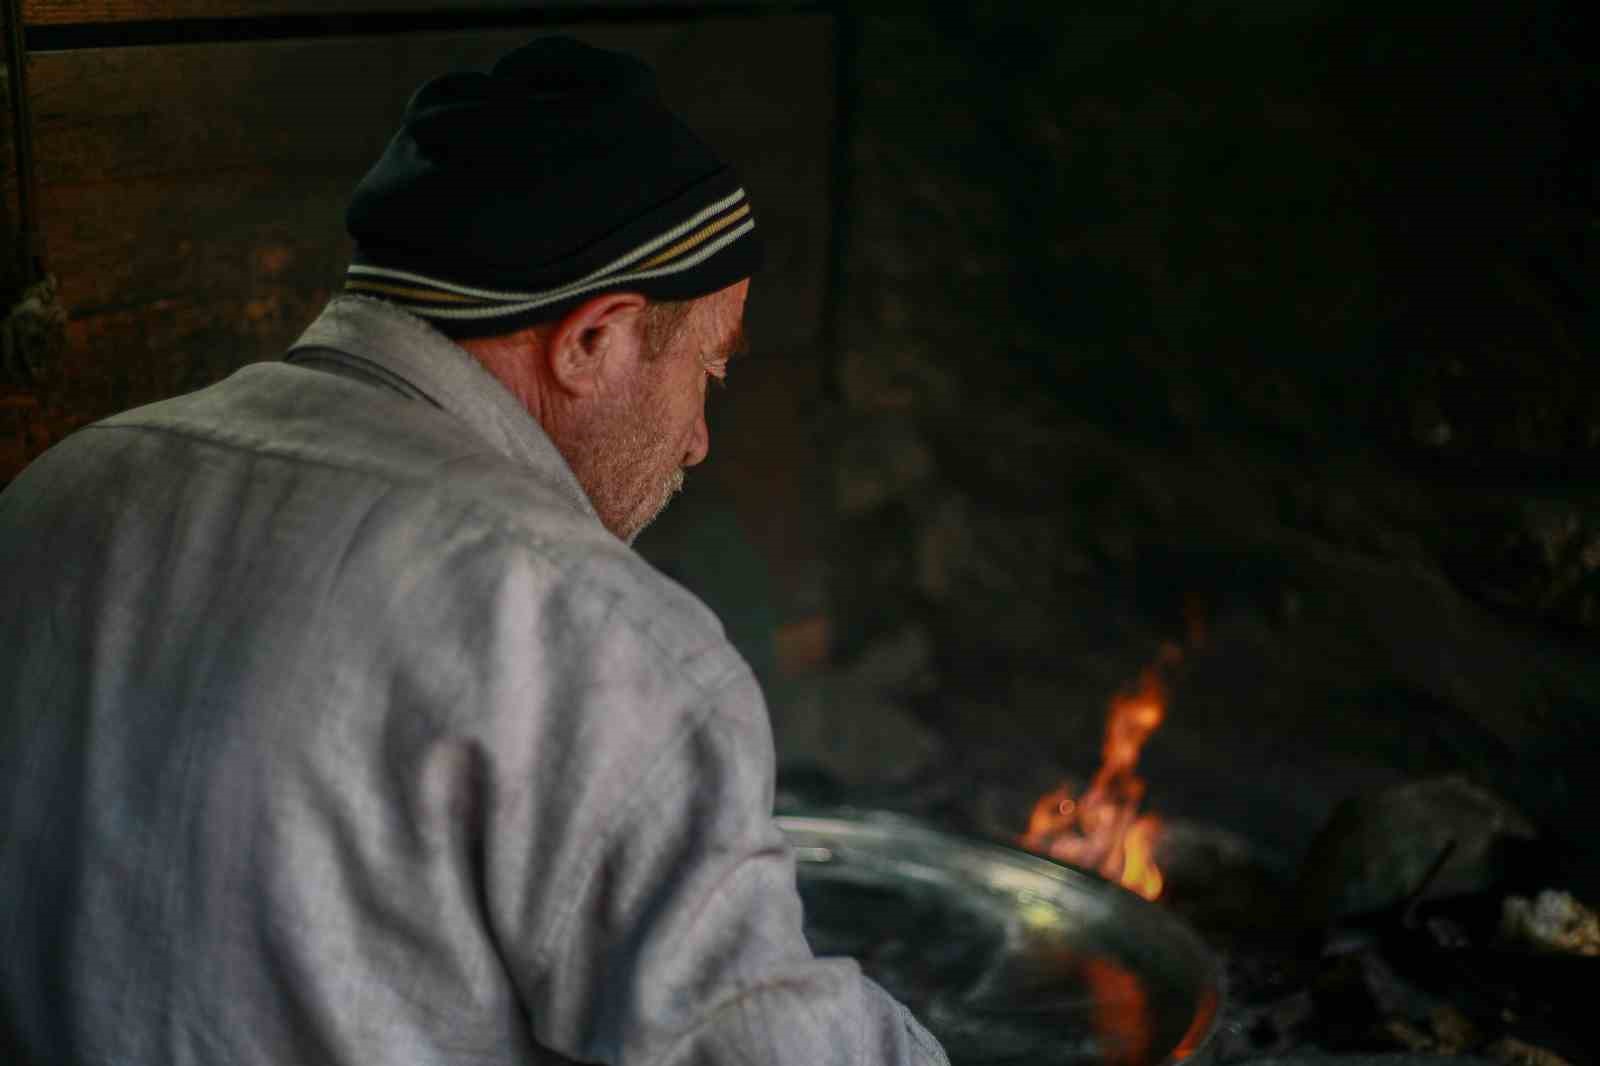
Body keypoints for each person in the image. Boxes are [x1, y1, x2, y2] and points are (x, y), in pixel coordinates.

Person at [0, 36, 948, 1066]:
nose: (698, 440)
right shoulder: (590, 633)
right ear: (593, 338)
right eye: (707, 371)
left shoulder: (58, 494)